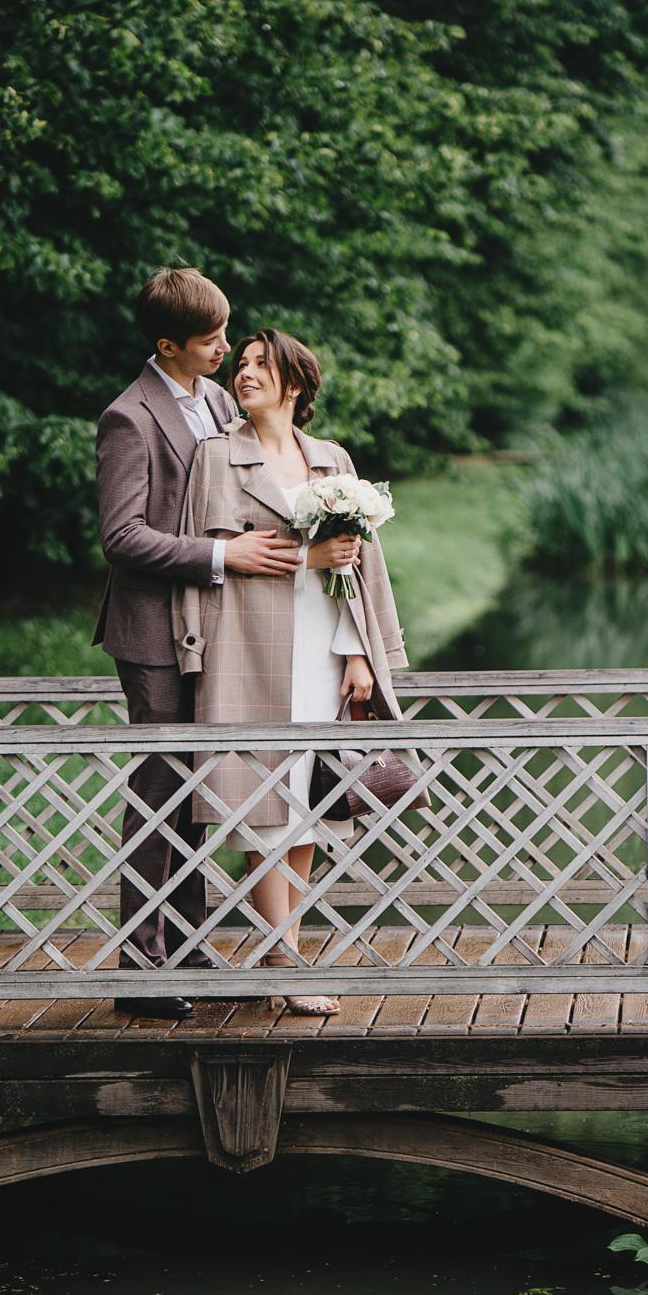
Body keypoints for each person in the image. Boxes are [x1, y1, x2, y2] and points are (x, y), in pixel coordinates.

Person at [174, 329, 408, 1016]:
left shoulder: (330, 459)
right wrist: (192, 650)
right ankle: (283, 960)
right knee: (260, 810)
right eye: (238, 364)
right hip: (244, 653)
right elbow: (201, 555)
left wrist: (362, 653)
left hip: (321, 652)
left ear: (295, 385)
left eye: (258, 365)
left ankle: (285, 950)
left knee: (305, 810)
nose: (242, 374)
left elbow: (361, 566)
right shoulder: (214, 456)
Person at [94, 269, 302, 1018]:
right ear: (166, 345)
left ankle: (181, 941)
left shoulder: (217, 402)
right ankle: (139, 966)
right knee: (159, 790)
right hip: (152, 633)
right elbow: (121, 538)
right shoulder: (129, 418)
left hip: (209, 631)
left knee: (196, 790)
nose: (226, 350)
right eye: (212, 340)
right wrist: (222, 557)